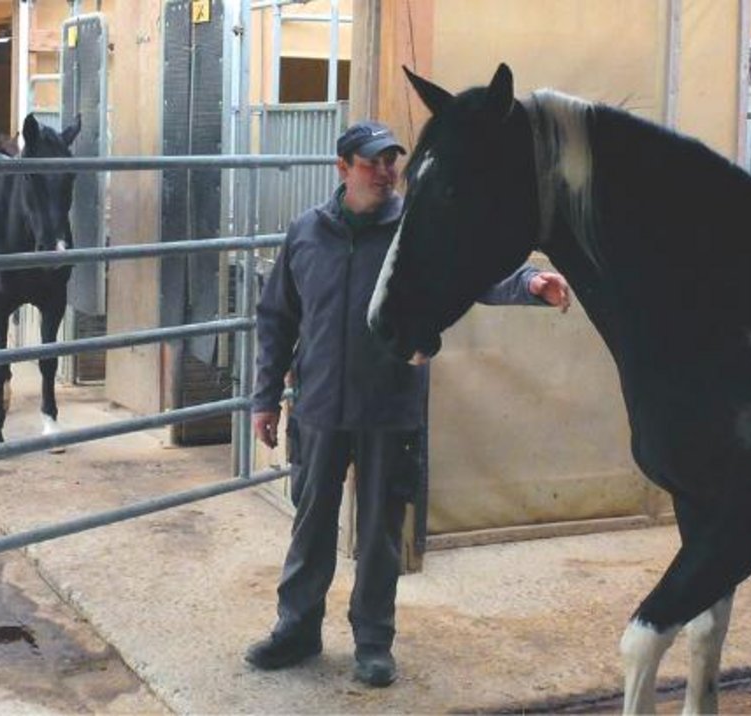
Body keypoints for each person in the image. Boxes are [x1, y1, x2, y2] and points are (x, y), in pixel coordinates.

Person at [245, 120, 572, 687]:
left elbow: (474, 272)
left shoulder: (416, 229)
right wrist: (265, 398)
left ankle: (373, 642)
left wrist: (529, 283)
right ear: (342, 168)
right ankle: (296, 629)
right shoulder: (306, 233)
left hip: (389, 405)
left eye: (391, 160)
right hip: (320, 405)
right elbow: (277, 318)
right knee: (311, 524)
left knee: (379, 531)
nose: (385, 171)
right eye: (372, 162)